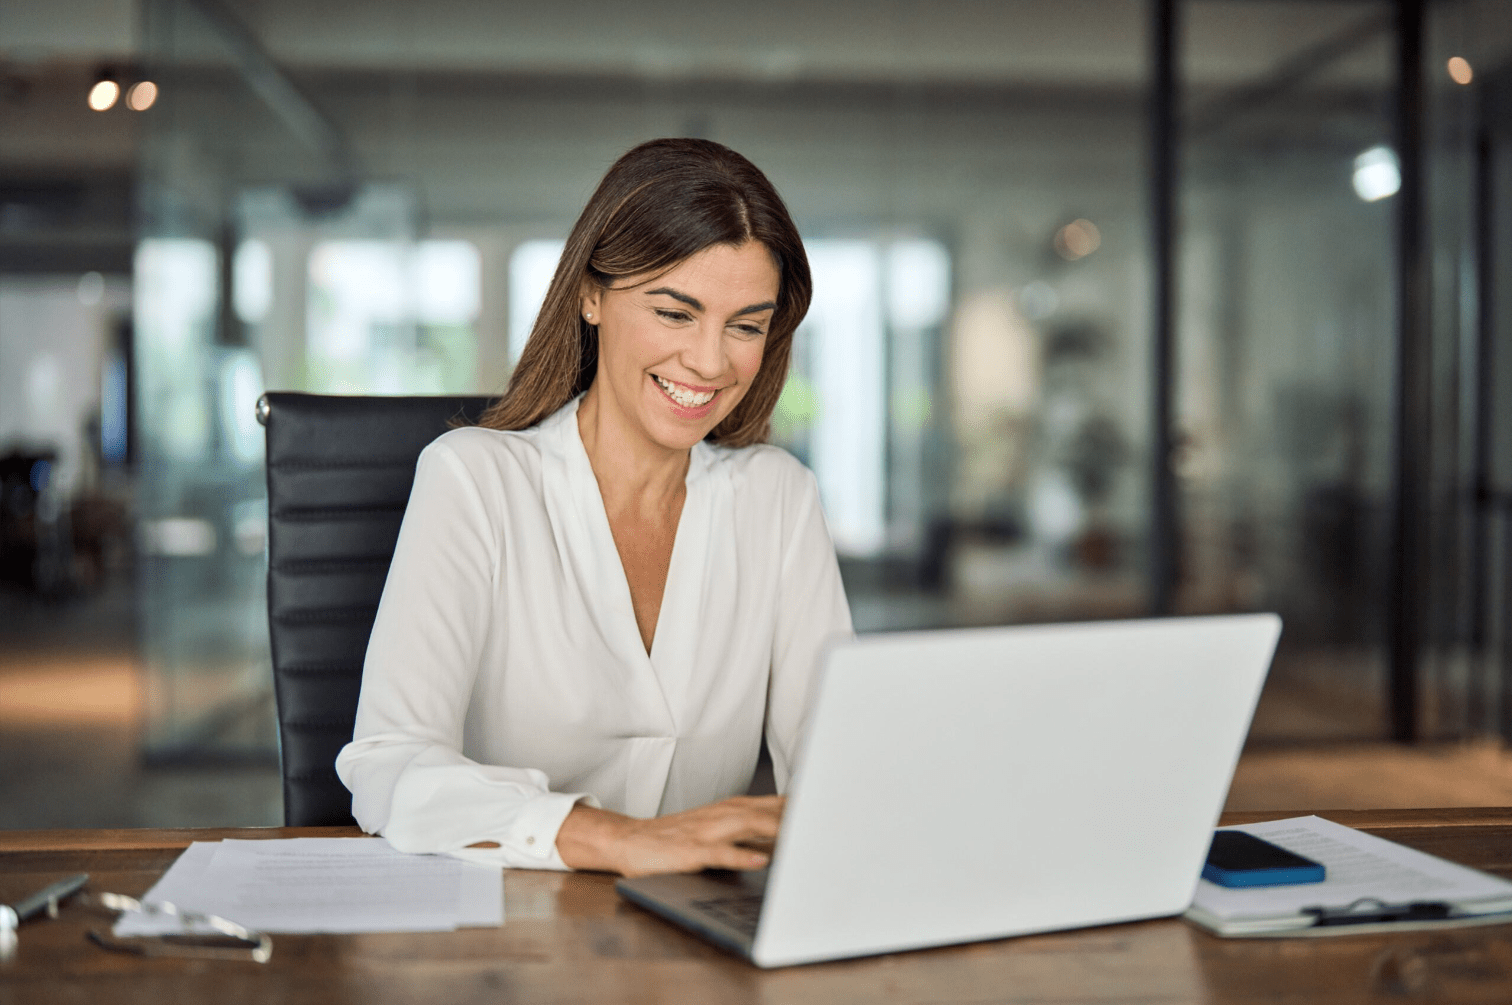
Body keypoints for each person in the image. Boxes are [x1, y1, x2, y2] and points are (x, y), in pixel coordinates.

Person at [335, 138, 853, 878]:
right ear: (591, 295)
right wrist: (620, 839)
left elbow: (835, 770)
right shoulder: (476, 480)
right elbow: (391, 767)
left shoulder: (778, 498)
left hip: (697, 947)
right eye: (676, 312)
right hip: (505, 938)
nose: (711, 361)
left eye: (745, 325)